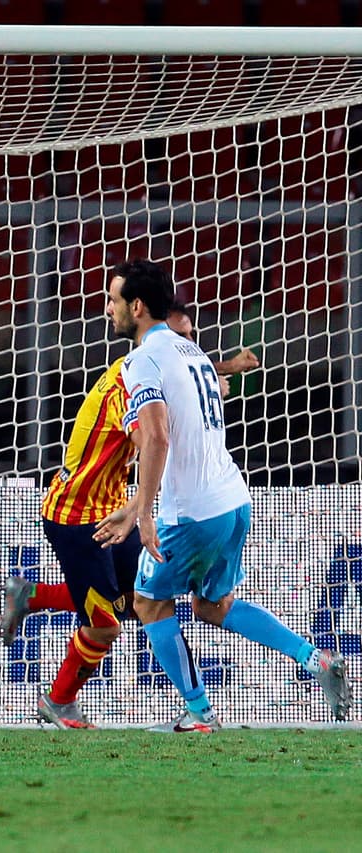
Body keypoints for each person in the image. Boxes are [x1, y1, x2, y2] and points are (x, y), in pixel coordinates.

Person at [94, 259, 350, 731]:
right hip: (232, 501)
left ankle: (197, 712)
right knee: (213, 606)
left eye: (113, 299)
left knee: (148, 602)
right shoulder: (192, 354)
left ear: (137, 305)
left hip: (188, 511)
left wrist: (143, 512)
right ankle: (316, 661)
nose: (107, 308)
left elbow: (156, 437)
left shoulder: (141, 361)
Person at [0, 302, 258, 729]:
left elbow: (179, 376)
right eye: (183, 338)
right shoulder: (132, 385)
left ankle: (33, 596)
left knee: (144, 604)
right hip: (76, 515)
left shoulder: (142, 363)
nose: (186, 347)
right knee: (104, 627)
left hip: (108, 506)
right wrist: (143, 508)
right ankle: (58, 702)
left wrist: (227, 366)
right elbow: (152, 438)